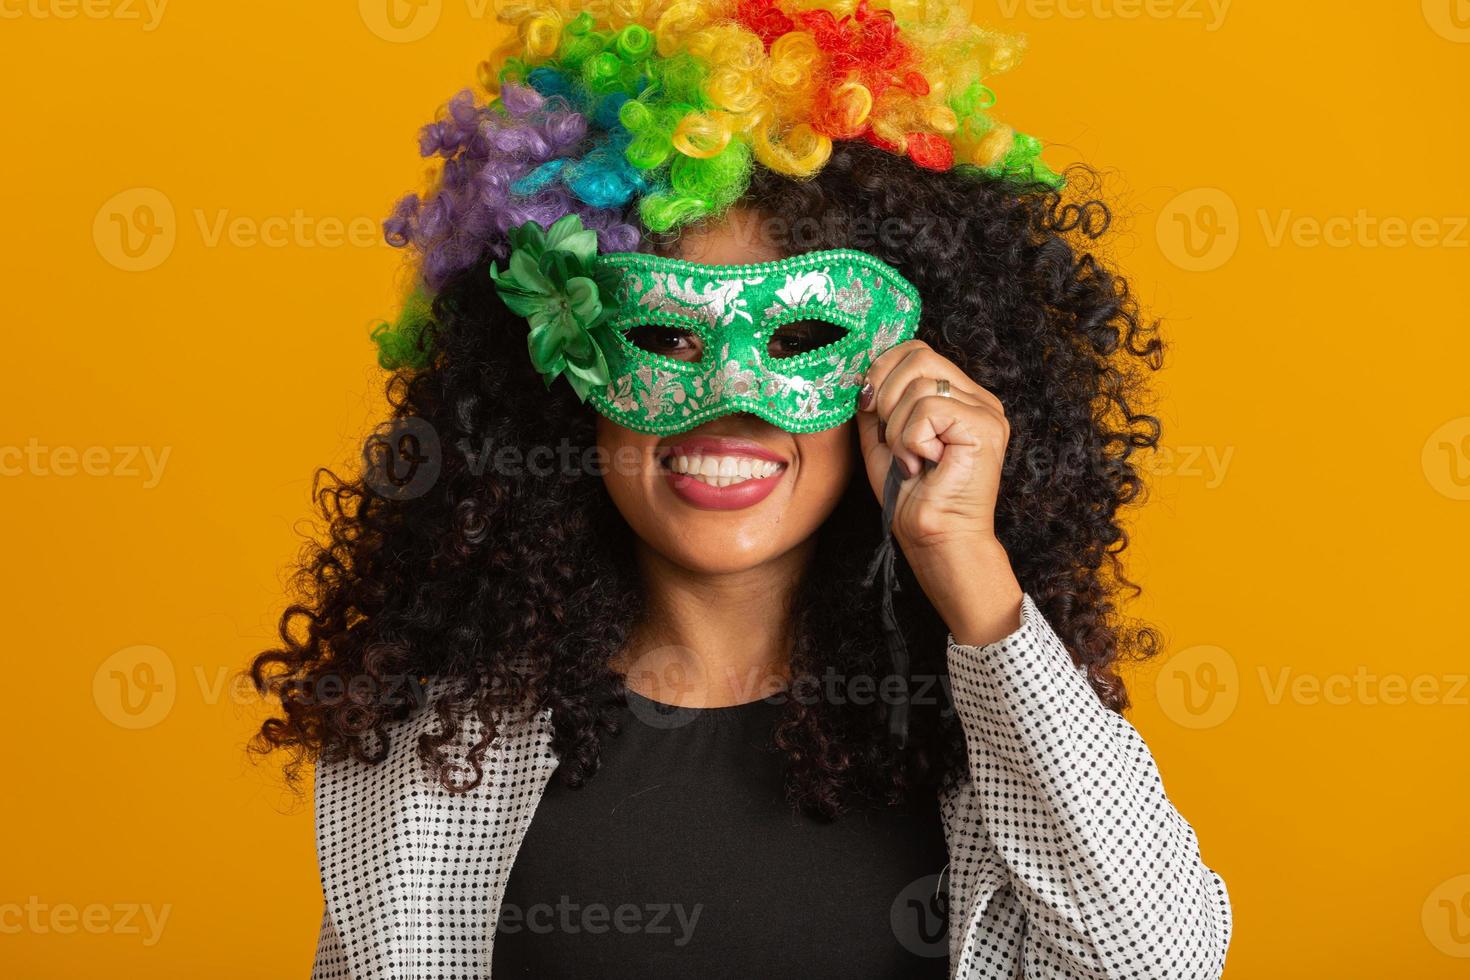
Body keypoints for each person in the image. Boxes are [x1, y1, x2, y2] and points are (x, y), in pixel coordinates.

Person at [251, 2, 1232, 977]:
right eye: (664, 338)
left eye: (801, 338)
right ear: (551, 372)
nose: (726, 403)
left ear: (904, 375)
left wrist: (966, 563)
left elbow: (1163, 958)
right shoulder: (431, 758)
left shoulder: (989, 740)